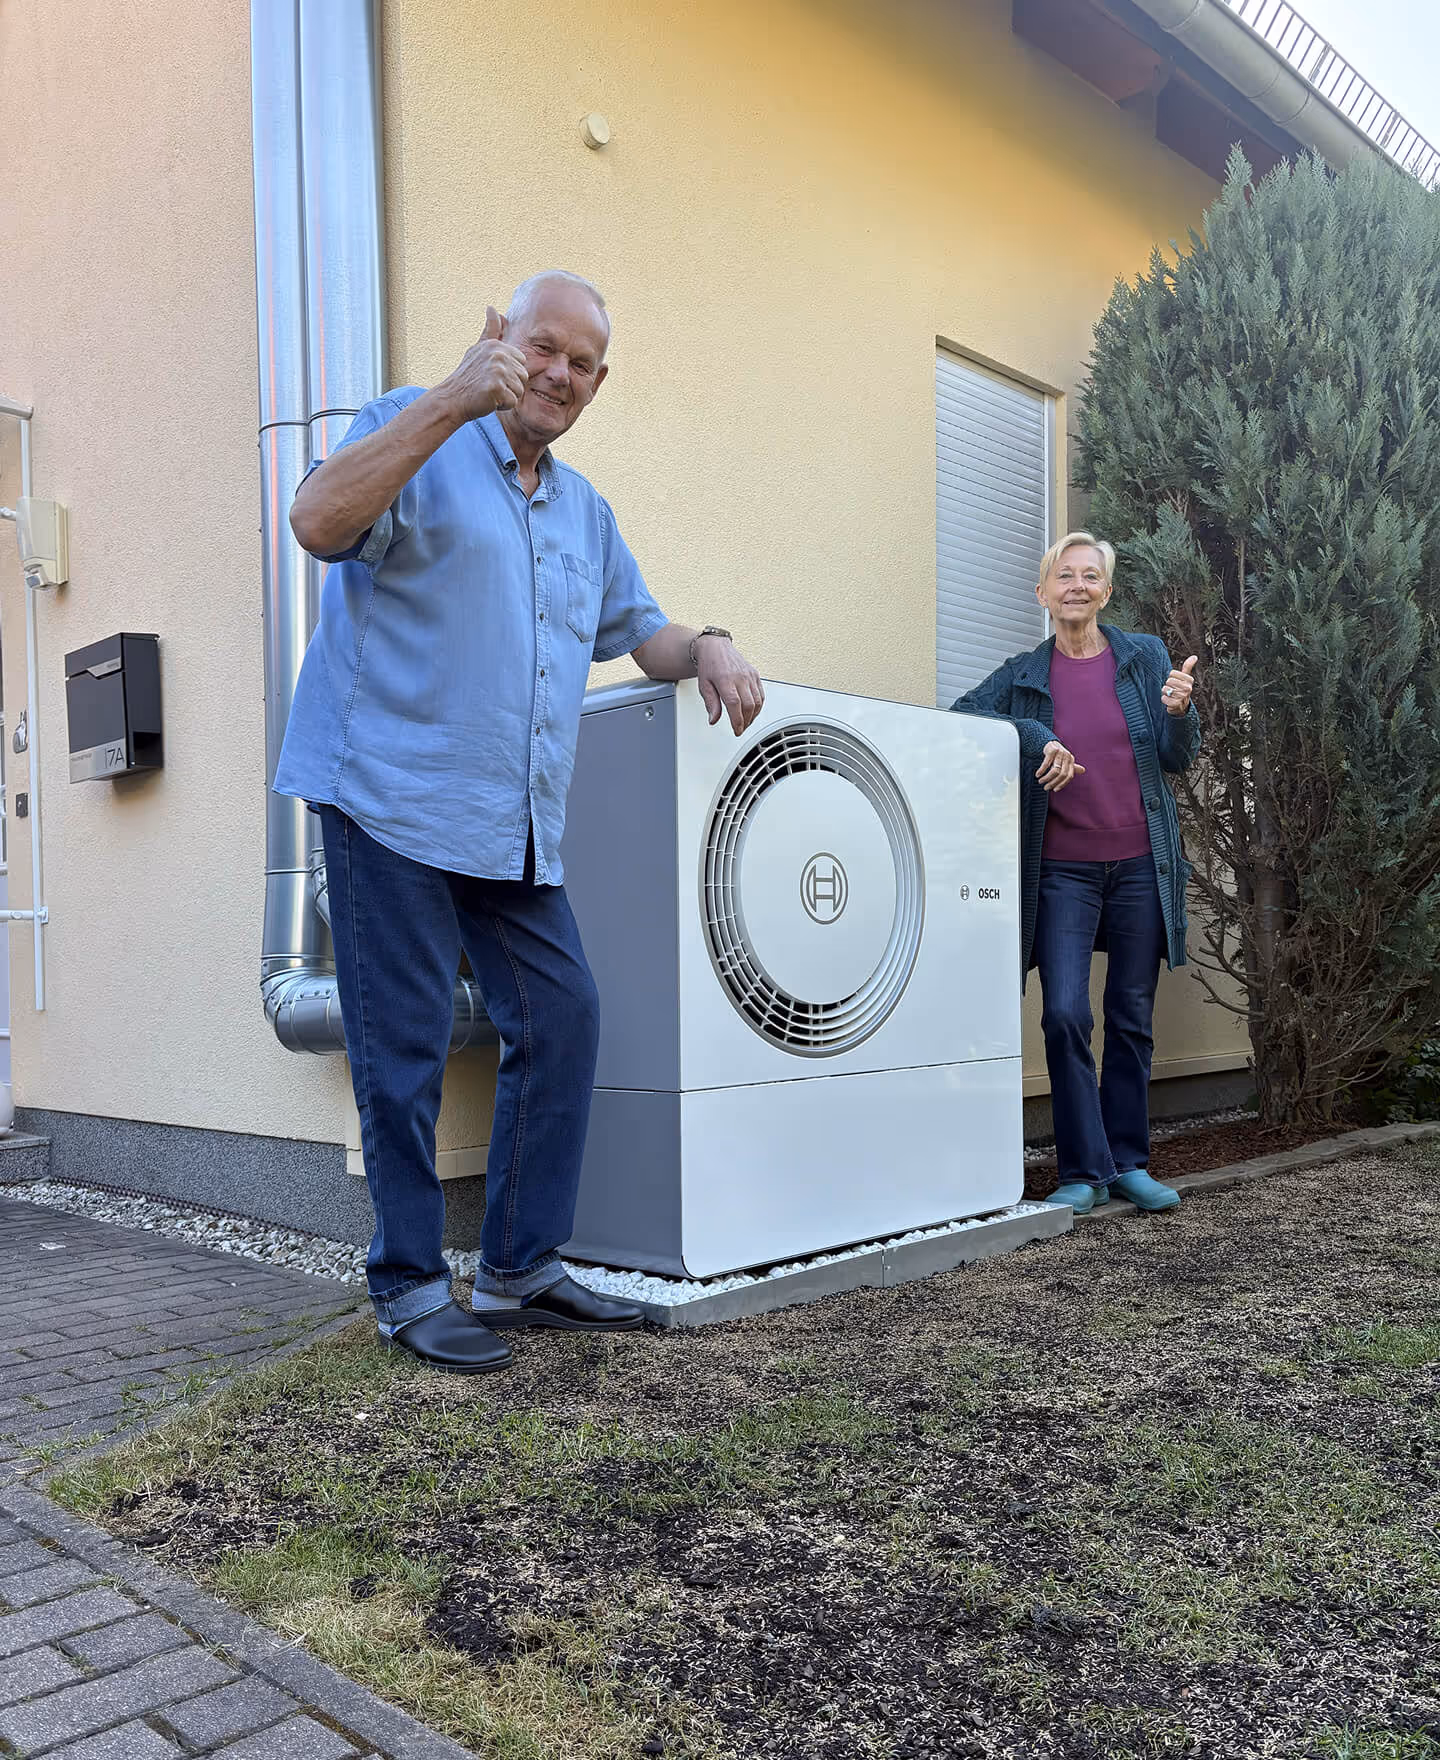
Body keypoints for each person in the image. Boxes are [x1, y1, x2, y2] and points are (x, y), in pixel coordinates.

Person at [278, 271, 765, 1371]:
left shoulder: (585, 509)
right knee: (399, 1052)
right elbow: (316, 519)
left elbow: (643, 633)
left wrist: (716, 641)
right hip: (387, 796)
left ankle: (517, 1268)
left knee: (565, 1015)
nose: (557, 373)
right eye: (541, 346)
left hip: (513, 826)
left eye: (581, 362)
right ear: (503, 338)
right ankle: (408, 1282)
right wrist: (450, 396)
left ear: (599, 382)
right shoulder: (416, 425)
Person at [952, 532, 1200, 1215]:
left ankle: (1127, 1163)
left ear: (1107, 592)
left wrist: (1180, 712)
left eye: (1091, 576)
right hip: (1062, 871)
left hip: (1140, 867)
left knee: (1130, 1015)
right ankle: (1082, 1169)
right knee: (1063, 1013)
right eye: (1065, 575)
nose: (1078, 586)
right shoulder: (1024, 675)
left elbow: (1179, 757)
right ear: (1043, 592)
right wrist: (1035, 738)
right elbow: (961, 721)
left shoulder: (1143, 658)